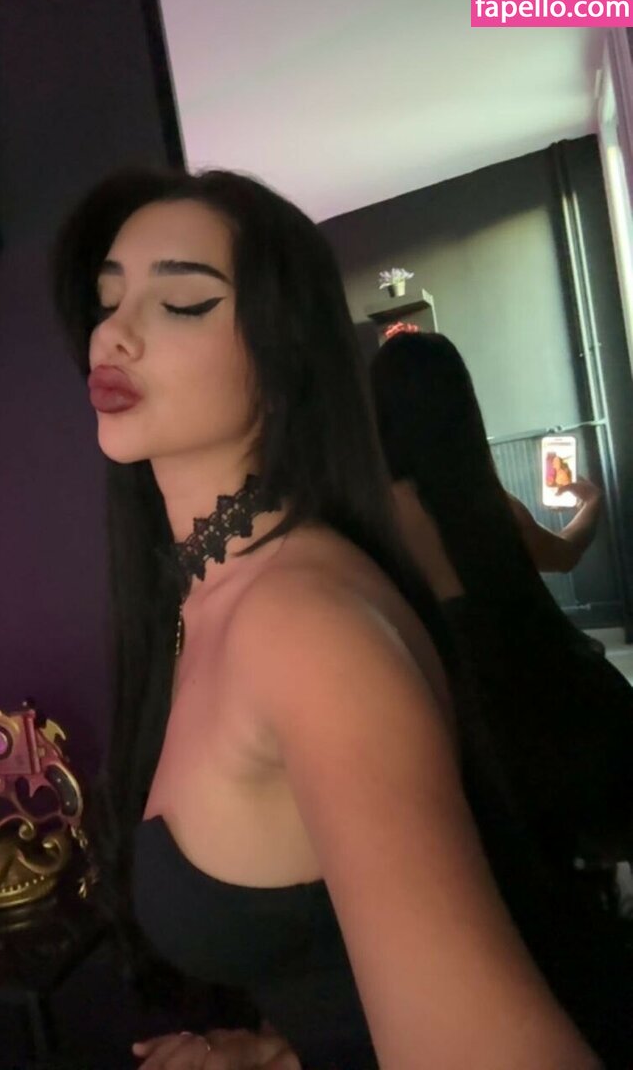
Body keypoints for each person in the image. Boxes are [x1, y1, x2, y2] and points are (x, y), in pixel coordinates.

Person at [52, 168, 601, 1070]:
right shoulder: (207, 593)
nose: (114, 333)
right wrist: (285, 1053)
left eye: (183, 302)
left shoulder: (298, 625)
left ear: (286, 360)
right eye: (108, 301)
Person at [371, 329, 633, 1066]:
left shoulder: (382, 515)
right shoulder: (488, 501)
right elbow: (567, 551)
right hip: (558, 706)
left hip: (482, 742)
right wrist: (591, 501)